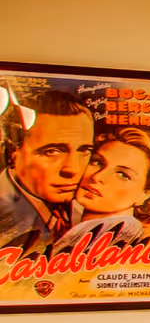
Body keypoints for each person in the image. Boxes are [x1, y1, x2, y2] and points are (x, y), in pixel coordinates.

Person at [49, 125, 150, 255]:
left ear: (146, 194)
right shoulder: (75, 224)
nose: (97, 177)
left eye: (123, 175)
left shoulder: (117, 234)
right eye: (97, 162)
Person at [0, 84, 95, 254]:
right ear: (12, 152)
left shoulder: (88, 210)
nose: (72, 169)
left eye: (84, 150)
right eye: (52, 151)